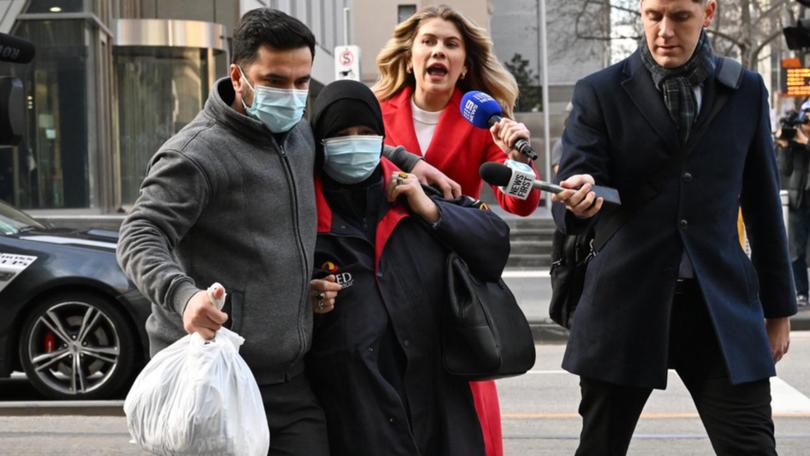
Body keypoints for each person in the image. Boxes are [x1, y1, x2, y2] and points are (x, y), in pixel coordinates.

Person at [115, 8, 446, 454]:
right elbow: (139, 233)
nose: (290, 94)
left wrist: (409, 162)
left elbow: (354, 137)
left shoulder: (298, 135)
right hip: (217, 383)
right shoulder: (194, 155)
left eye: (301, 82)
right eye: (273, 81)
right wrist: (184, 296)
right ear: (237, 76)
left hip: (290, 382)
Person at [552, 0, 796, 454]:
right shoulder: (600, 92)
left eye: (680, 16)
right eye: (653, 15)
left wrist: (778, 311)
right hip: (624, 306)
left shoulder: (744, 90)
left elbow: (764, 207)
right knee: (600, 446)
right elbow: (576, 181)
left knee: (753, 447)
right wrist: (581, 198)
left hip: (719, 308)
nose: (664, 30)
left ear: (708, 13)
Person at [306, 79, 510, 456]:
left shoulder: (415, 196)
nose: (355, 142)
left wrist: (432, 210)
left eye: (366, 133)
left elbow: (494, 245)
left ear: (380, 138)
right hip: (357, 420)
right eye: (341, 135)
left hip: (440, 413)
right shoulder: (306, 221)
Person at [373, 6, 541, 455]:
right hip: (385, 276)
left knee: (464, 419)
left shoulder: (484, 120)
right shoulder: (375, 113)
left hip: (453, 286)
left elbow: (519, 203)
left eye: (451, 45)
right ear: (410, 56)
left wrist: (518, 159)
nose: (438, 52)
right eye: (428, 42)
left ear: (465, 63)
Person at [775, 102, 810, 308]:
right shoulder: (792, 140)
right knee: (796, 249)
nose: (807, 124)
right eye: (805, 119)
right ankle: (802, 292)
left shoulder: (804, 140)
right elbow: (784, 170)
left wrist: (805, 142)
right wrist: (786, 147)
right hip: (798, 201)